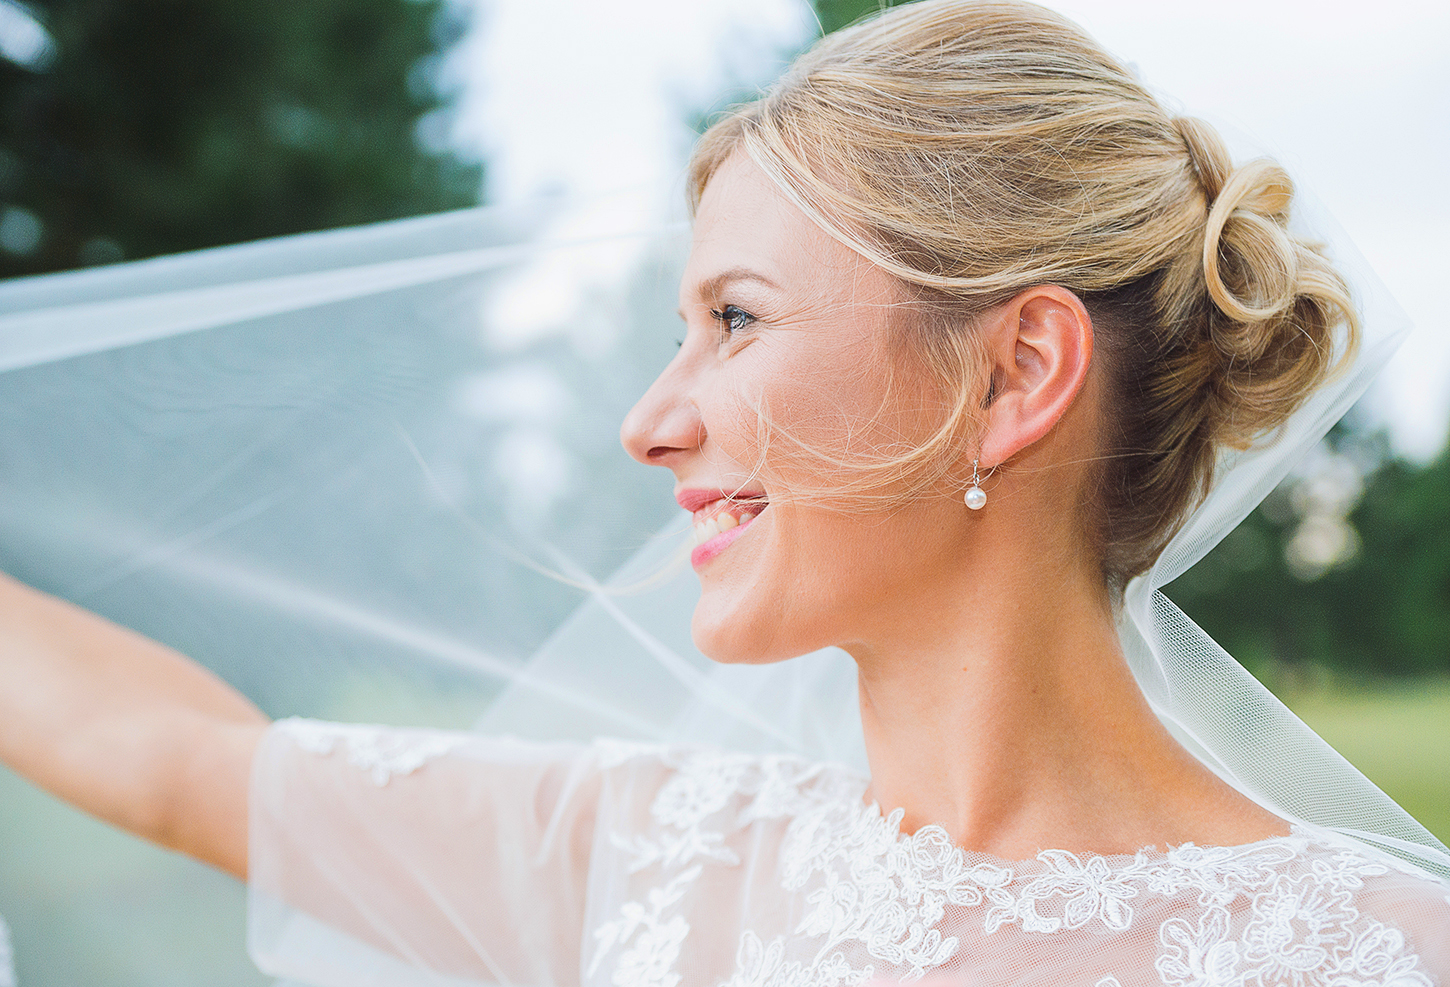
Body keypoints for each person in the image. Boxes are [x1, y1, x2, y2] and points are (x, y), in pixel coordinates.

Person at [0, 0, 1447, 984]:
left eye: (736, 320)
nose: (648, 423)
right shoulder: (641, 857)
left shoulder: (1377, 954)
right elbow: (158, 747)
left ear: (1013, 375)